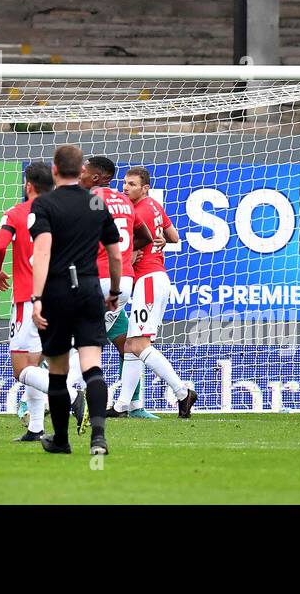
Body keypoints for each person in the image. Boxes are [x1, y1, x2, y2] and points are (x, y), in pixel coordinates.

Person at [29, 144, 123, 456]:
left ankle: (61, 440)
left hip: (56, 291)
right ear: (81, 169)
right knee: (91, 364)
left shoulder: (44, 204)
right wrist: (114, 292)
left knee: (57, 367)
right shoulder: (97, 202)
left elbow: (41, 252)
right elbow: (114, 254)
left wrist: (37, 298)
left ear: (55, 169)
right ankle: (98, 437)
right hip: (88, 289)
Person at [108, 166, 197, 418]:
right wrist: (160, 240)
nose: (126, 187)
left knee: (137, 344)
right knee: (131, 345)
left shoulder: (139, 210)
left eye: (132, 184)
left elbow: (134, 252)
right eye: (125, 183)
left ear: (145, 188)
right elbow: (174, 236)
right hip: (154, 279)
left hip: (148, 280)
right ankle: (122, 406)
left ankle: (182, 392)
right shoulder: (155, 207)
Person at [0, 161, 60, 442]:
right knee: (34, 363)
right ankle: (35, 427)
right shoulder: (63, 213)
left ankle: (67, 392)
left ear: (28, 186)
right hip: (63, 296)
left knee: (21, 369)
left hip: (30, 299)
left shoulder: (17, 213)